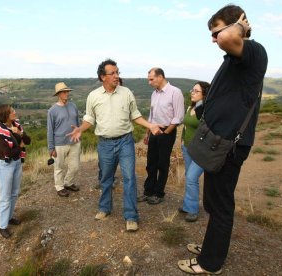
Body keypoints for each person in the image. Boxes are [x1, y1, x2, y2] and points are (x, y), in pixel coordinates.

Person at [178, 5, 267, 274]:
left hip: (230, 146)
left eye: (215, 31)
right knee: (213, 202)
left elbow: (229, 38)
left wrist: (238, 28)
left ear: (237, 26)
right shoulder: (233, 59)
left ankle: (210, 263)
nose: (214, 38)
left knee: (221, 204)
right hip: (218, 143)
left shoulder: (253, 52)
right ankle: (210, 247)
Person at [67, 58, 163, 232]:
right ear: (102, 77)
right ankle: (104, 208)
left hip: (125, 141)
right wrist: (81, 128)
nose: (117, 76)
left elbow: (135, 115)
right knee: (106, 178)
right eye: (112, 73)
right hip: (105, 144)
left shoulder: (126, 93)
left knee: (129, 178)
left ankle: (131, 216)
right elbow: (89, 118)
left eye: (118, 72)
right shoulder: (93, 96)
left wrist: (150, 125)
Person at [138, 68, 185, 205]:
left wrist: (166, 132)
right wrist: (148, 132)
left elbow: (178, 116)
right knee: (151, 163)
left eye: (151, 79)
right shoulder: (154, 94)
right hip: (154, 130)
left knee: (162, 164)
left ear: (160, 77)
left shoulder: (175, 92)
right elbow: (152, 115)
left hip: (167, 131)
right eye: (148, 79)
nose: (149, 82)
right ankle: (148, 192)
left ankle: (159, 193)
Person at [0, 104, 31, 238]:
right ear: (6, 115)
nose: (15, 112)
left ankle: (8, 218)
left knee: (14, 193)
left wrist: (19, 134)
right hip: (5, 165)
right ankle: (2, 227)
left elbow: (28, 140)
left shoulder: (16, 125)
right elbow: (7, 153)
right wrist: (20, 146)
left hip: (17, 163)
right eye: (12, 111)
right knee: (5, 197)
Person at [179, 81, 210, 222]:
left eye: (196, 91)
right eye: (192, 90)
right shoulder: (189, 108)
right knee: (189, 176)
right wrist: (182, 140)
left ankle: (192, 209)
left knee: (191, 178)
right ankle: (187, 205)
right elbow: (186, 126)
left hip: (201, 150)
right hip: (187, 148)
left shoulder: (207, 111)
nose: (192, 92)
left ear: (204, 94)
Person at [47, 82, 81, 197]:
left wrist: (79, 133)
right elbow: (50, 130)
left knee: (75, 166)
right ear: (58, 94)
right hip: (59, 144)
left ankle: (68, 182)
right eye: (65, 92)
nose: (67, 93)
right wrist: (51, 148)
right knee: (59, 167)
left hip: (74, 142)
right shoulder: (52, 110)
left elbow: (78, 124)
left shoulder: (73, 106)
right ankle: (59, 187)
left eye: (68, 91)